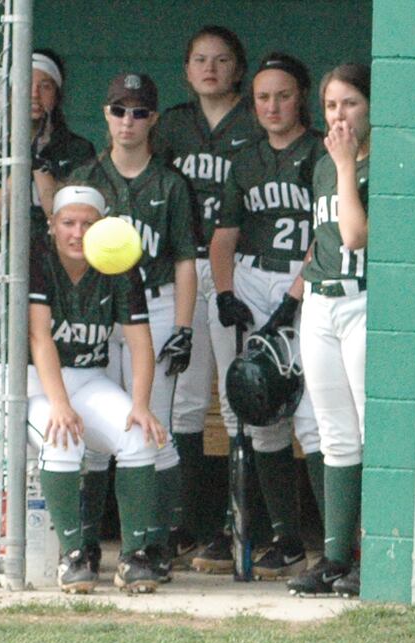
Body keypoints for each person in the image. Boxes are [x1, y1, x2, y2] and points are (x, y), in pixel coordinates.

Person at [0, 186, 166, 592]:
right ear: (52, 226)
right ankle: (74, 555)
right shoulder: (38, 258)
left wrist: (141, 404)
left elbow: (140, 342)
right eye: (68, 223)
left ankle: (133, 557)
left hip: (85, 375)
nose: (77, 233)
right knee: (62, 436)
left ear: (103, 226)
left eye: (88, 223)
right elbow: (38, 337)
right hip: (18, 378)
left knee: (138, 434)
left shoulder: (118, 263)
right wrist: (61, 406)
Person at [70, 72, 197, 581]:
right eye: (119, 109)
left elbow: (187, 259)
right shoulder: (86, 179)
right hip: (100, 314)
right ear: (106, 114)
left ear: (154, 119)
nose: (129, 120)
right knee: (95, 428)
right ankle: (85, 544)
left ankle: (153, 544)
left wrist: (184, 325)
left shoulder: (170, 183)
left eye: (140, 111)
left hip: (158, 304)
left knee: (153, 425)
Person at [208, 53, 326, 581]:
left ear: (299, 96)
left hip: (308, 279)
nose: (273, 105)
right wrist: (227, 290)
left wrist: (295, 298)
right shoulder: (246, 160)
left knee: (314, 418)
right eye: (262, 97)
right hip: (252, 278)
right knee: (259, 413)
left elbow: (326, 233)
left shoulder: (322, 152)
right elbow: (224, 238)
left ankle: (338, 542)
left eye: (282, 95)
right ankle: (286, 539)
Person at [153, 25, 263, 568]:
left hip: (236, 266)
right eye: (200, 59)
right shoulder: (172, 123)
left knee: (238, 393)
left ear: (238, 69)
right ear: (187, 69)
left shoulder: (255, 117)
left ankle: (238, 523)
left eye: (222, 59)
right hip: (181, 262)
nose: (211, 68)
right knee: (188, 399)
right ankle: (188, 523)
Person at [287, 64, 370, 598]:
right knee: (333, 432)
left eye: (351, 104)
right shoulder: (321, 166)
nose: (340, 115)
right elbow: (320, 240)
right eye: (332, 106)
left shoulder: (374, 160)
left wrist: (344, 164)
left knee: (370, 427)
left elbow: (356, 235)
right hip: (320, 303)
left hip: (364, 299)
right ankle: (336, 555)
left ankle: (374, 553)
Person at [0, 50, 95, 366]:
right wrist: (21, 157)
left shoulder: (76, 147)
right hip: (0, 255)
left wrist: (40, 160)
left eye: (44, 86)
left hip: (54, 259)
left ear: (56, 97)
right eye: (25, 83)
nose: (33, 92)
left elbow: (58, 215)